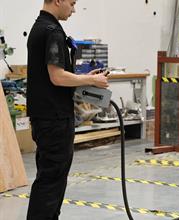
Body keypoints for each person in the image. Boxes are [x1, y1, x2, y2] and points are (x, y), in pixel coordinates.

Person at [26, 0, 109, 219]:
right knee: (51, 181)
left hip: (45, 116)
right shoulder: (52, 31)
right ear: (58, 0)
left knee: (51, 178)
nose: (73, 9)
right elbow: (57, 76)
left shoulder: (39, 28)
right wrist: (91, 82)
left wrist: (85, 79)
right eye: (71, 3)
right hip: (54, 119)